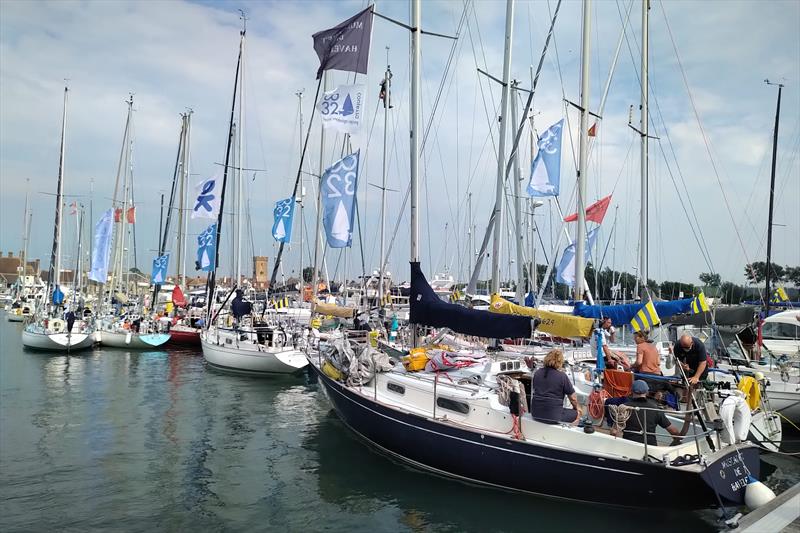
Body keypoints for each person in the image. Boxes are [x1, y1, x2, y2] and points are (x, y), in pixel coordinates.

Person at [620, 380, 681, 445]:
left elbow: (614, 431)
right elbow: (674, 431)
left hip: (628, 446)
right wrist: (678, 441)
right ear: (647, 392)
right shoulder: (655, 408)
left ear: (631, 391)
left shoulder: (624, 407)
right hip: (650, 448)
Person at [531, 349, 582, 424]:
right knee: (578, 413)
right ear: (560, 362)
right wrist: (577, 408)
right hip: (554, 416)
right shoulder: (562, 376)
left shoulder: (537, 373)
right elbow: (573, 398)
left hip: (536, 413)